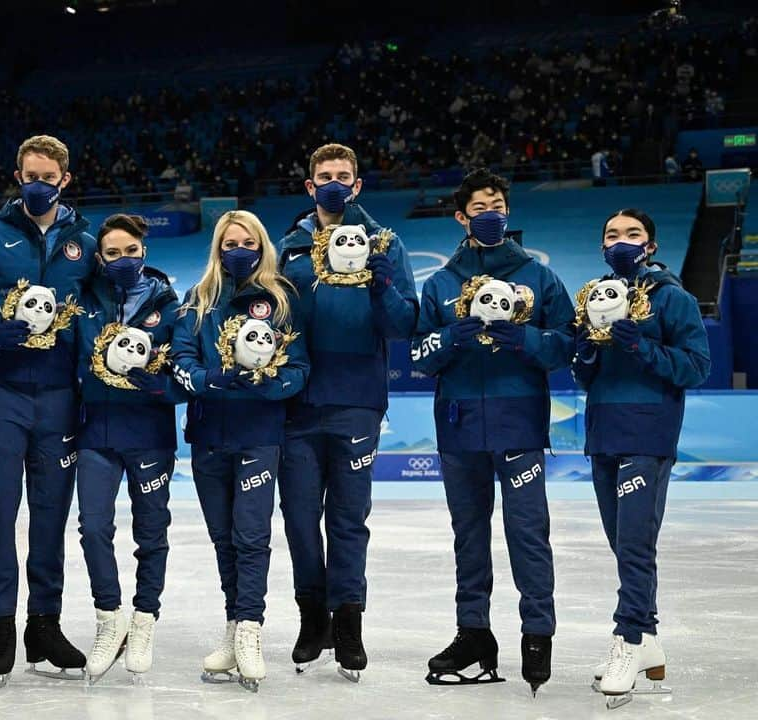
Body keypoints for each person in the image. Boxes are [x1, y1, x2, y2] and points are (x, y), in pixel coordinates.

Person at [412, 168, 575, 694]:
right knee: (469, 536)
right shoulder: (440, 283)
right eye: (481, 207)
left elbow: (569, 344)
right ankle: (474, 634)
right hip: (459, 429)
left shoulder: (538, 277)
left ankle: (537, 633)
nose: (492, 214)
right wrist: (449, 339)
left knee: (528, 534)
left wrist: (525, 340)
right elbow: (417, 356)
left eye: (499, 205)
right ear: (461, 216)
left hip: (519, 423)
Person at [0, 134, 96, 684]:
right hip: (1, 393)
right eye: (29, 176)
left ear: (65, 179)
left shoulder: (84, 242)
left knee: (50, 517)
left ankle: (44, 625)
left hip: (61, 396)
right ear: (17, 176)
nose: (38, 185)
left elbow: (100, 311)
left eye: (48, 177)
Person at [275, 142, 418, 681]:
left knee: (349, 518)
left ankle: (349, 620)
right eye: (324, 176)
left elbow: (404, 325)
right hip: (296, 405)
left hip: (356, 401)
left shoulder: (386, 243)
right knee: (299, 519)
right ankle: (314, 616)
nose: (334, 183)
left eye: (343, 176)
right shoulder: (288, 246)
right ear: (310, 186)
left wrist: (382, 285)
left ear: (357, 185)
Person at [574, 209, 709, 706]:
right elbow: (585, 376)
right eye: (611, 234)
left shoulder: (673, 298)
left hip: (648, 434)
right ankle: (648, 641)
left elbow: (696, 366)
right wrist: (586, 350)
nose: (621, 242)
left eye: (632, 234)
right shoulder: (593, 298)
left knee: (634, 543)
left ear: (650, 245)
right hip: (603, 432)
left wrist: (641, 346)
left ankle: (628, 638)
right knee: (622, 543)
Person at [171, 210, 308, 692]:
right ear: (217, 247)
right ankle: (233, 625)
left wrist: (269, 384)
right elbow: (182, 361)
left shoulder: (281, 298)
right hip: (209, 434)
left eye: (247, 241)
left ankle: (250, 628)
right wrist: (209, 380)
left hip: (259, 434)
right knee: (223, 539)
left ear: (262, 244)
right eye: (229, 242)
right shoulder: (200, 298)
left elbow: (300, 368)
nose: (238, 250)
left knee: (251, 535)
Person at [73, 214, 182, 683]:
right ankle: (108, 618)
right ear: (100, 258)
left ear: (144, 253)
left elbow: (185, 378)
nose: (122, 260)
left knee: (151, 533)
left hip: (149, 434)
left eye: (131, 251)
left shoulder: (170, 307)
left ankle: (143, 619)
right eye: (113, 253)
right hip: (96, 432)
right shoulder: (83, 302)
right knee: (93, 527)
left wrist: (158, 386)